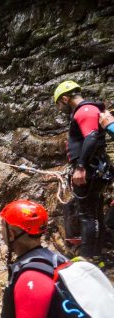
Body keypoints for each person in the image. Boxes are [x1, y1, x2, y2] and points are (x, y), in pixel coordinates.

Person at [0, 199, 65, 318]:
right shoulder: (55, 259)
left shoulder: (31, 277)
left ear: (12, 233)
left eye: (3, 226)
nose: (1, 231)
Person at [54, 80, 109, 259]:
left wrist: (80, 167)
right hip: (96, 169)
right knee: (95, 213)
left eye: (59, 105)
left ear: (65, 98)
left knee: (87, 216)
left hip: (90, 170)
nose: (60, 109)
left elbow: (91, 137)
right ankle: (95, 258)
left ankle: (86, 261)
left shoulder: (85, 110)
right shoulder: (90, 110)